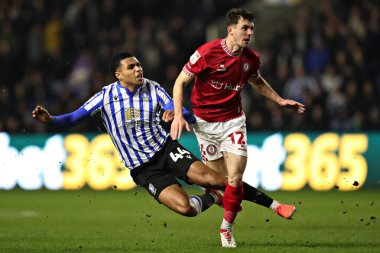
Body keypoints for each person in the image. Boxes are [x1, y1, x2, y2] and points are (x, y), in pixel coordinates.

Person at [171, 8, 305, 247]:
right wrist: (179, 114)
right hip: (204, 125)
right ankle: (266, 204)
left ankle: (226, 229)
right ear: (230, 30)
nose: (249, 33)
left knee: (235, 178)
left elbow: (256, 80)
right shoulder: (206, 53)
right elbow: (180, 81)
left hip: (233, 122)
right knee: (220, 182)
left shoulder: (251, 58)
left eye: (251, 28)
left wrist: (279, 100)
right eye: (245, 28)